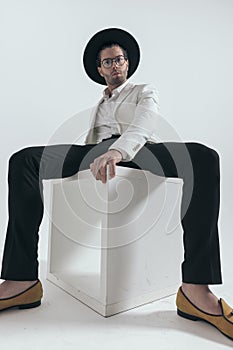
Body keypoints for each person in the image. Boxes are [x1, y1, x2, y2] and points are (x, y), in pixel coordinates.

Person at [0, 27, 232, 340]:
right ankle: (21, 280)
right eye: (108, 62)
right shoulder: (99, 105)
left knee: (204, 157)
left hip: (140, 149)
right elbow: (92, 143)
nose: (115, 65)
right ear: (99, 69)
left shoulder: (144, 90)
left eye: (119, 59)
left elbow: (145, 123)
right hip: (95, 150)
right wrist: (89, 165)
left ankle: (195, 288)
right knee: (23, 159)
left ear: (127, 63)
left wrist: (117, 151)